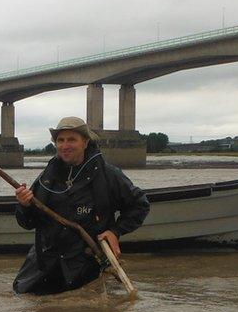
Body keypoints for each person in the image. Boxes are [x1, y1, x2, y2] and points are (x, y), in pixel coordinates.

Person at [13, 116, 149, 295]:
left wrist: (116, 232)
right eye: (60, 140)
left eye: (71, 139)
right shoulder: (46, 178)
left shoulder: (108, 175)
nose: (65, 145)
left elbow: (140, 205)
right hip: (43, 267)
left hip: (85, 268)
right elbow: (28, 223)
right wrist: (24, 206)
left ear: (85, 142)